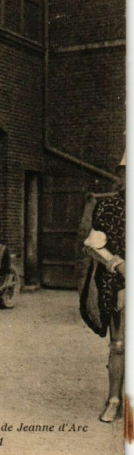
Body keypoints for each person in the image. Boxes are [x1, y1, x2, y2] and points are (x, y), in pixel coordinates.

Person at [82, 153, 125, 422]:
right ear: (122, 176)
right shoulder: (109, 207)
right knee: (119, 344)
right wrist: (118, 264)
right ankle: (114, 400)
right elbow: (93, 245)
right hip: (119, 282)